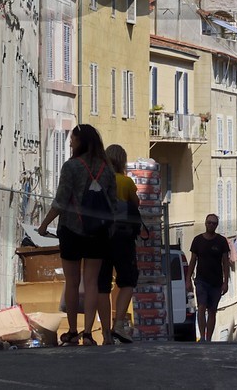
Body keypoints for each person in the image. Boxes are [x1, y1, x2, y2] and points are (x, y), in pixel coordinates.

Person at [36, 124, 118, 346]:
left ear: (81, 141)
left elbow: (61, 201)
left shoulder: (71, 167)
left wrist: (43, 225)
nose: (70, 142)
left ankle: (72, 331)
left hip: (72, 230)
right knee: (92, 283)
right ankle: (89, 333)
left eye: (72, 139)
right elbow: (113, 204)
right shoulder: (107, 169)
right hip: (98, 233)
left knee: (71, 282)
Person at [95, 143, 144, 344]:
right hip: (122, 239)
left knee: (102, 286)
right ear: (122, 161)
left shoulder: (99, 181)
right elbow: (136, 204)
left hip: (100, 237)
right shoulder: (125, 182)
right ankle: (118, 324)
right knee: (127, 280)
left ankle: (105, 333)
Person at [185, 212, 231, 342]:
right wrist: (188, 279)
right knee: (201, 307)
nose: (211, 225)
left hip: (216, 282)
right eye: (209, 222)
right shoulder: (197, 240)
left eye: (214, 223)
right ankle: (202, 336)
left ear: (217, 225)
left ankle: (209, 338)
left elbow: (225, 263)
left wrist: (225, 282)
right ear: (205, 224)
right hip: (201, 280)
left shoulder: (221, 241)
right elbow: (193, 260)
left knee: (212, 311)